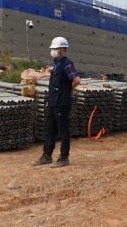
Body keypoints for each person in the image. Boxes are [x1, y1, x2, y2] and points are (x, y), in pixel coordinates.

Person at [33, 37, 81, 168]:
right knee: (50, 130)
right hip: (53, 101)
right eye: (52, 49)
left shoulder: (67, 63)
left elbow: (76, 80)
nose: (52, 51)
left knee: (63, 130)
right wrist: (49, 71)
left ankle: (64, 157)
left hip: (62, 103)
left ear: (62, 50)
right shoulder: (57, 63)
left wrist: (68, 90)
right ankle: (46, 155)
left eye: (55, 49)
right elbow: (57, 74)